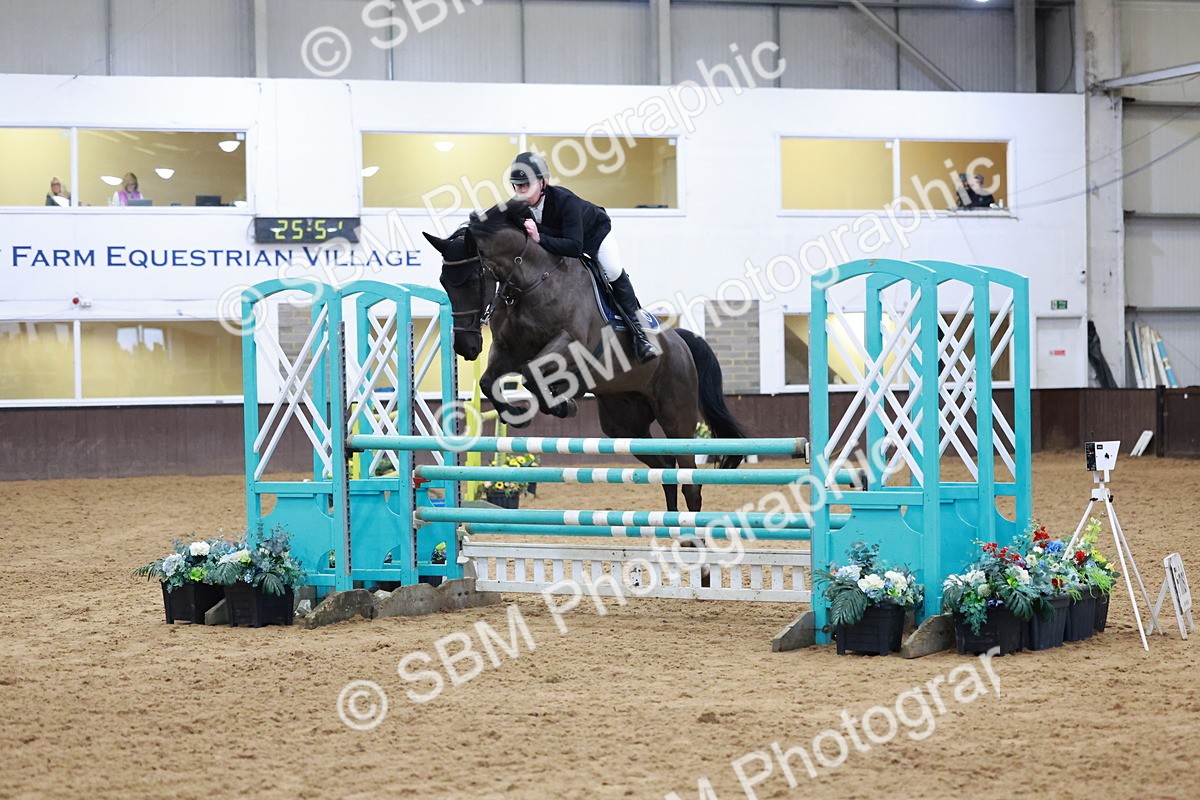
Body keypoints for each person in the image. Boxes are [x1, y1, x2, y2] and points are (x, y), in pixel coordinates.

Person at [507, 151, 658, 363]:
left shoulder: (565, 201)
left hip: (594, 237)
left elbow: (575, 246)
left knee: (612, 270)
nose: (521, 191)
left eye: (526, 185)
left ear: (543, 183)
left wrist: (539, 237)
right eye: (517, 186)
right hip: (562, 242)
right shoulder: (517, 208)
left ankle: (640, 336)